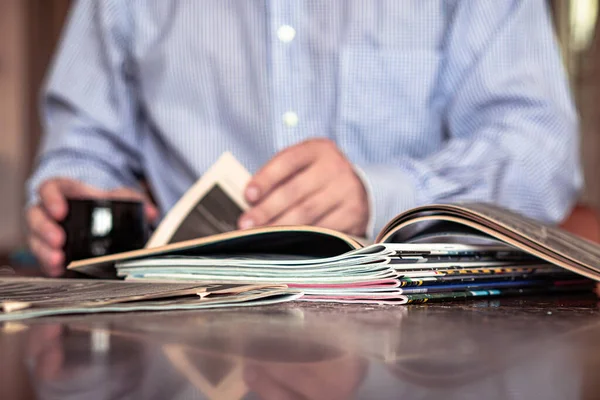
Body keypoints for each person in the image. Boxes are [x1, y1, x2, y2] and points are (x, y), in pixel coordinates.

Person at [25, 1, 582, 277]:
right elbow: (83, 148)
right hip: (182, 325)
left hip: (418, 338)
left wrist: (382, 193)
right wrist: (73, 202)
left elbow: (542, 150)